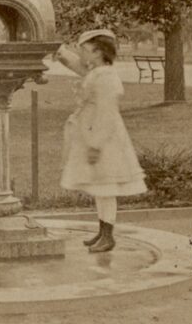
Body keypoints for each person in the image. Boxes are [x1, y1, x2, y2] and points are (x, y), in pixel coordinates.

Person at [55, 29, 147, 253]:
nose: (82, 54)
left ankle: (108, 236)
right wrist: (58, 50)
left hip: (105, 139)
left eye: (85, 50)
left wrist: (95, 144)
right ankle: (103, 232)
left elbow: (107, 113)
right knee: (100, 187)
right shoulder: (97, 71)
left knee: (105, 187)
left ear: (97, 52)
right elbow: (77, 65)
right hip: (94, 133)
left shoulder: (106, 77)